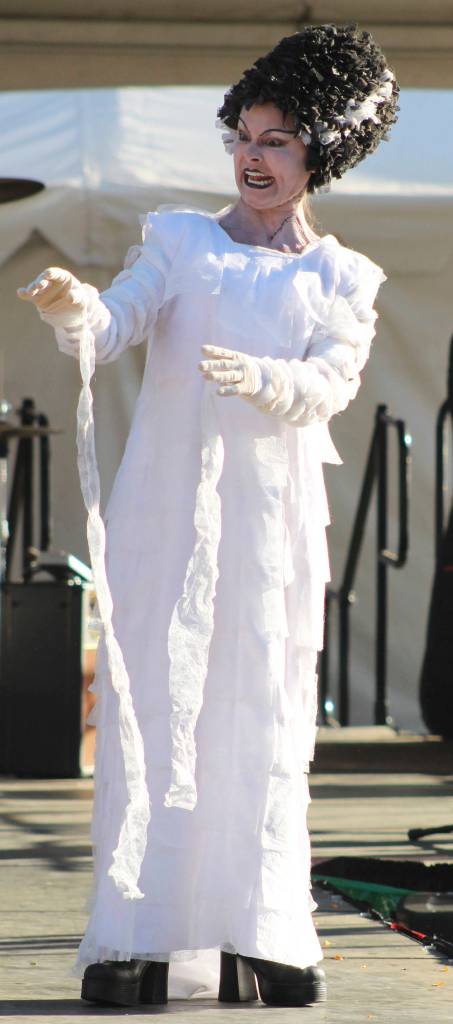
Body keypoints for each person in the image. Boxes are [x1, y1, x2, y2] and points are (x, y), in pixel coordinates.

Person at [18, 23, 399, 1008]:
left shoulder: (340, 278)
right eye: (245, 135)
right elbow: (117, 324)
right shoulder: (179, 240)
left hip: (271, 522)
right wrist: (74, 308)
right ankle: (136, 938)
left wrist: (268, 377)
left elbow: (331, 382)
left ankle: (255, 933)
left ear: (320, 151)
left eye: (277, 140)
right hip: (172, 516)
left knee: (260, 716)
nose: (254, 156)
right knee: (160, 712)